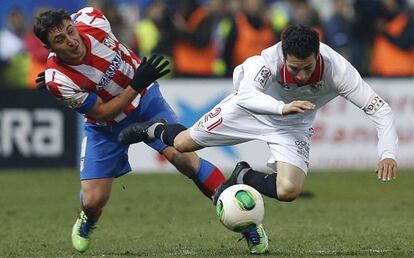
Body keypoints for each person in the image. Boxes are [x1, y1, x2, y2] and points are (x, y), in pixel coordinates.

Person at [119, 24, 399, 249]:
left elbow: (381, 110)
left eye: (307, 68)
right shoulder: (267, 60)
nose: (301, 76)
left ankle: (242, 175)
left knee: (289, 191)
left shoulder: (339, 71)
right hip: (249, 109)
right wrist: (281, 106)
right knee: (182, 144)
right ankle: (154, 128)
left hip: (293, 124)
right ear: (284, 58)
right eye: (294, 69)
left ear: (318, 56)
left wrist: (387, 153)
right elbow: (248, 96)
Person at [32, 7, 265, 254]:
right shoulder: (59, 81)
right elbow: (102, 113)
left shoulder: (92, 18)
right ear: (50, 49)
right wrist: (135, 84)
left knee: (184, 157)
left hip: (146, 102)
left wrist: (138, 87)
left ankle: (246, 224)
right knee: (93, 200)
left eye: (70, 31)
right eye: (60, 40)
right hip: (106, 126)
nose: (71, 41)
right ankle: (88, 219)